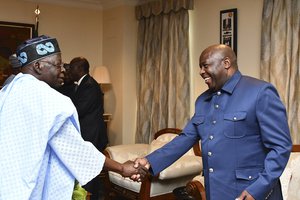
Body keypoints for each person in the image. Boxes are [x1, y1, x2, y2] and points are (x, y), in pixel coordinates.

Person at [134, 44, 292, 200]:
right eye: (200, 67)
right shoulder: (203, 100)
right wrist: (149, 161)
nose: (201, 72)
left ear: (226, 63)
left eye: (205, 65)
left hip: (252, 193)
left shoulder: (260, 92)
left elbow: (281, 147)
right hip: (215, 192)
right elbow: (185, 138)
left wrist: (258, 189)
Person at [0, 35, 145, 200]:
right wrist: (121, 168)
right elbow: (75, 149)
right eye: (58, 64)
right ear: (39, 66)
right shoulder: (47, 99)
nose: (62, 70)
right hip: (27, 189)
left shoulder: (7, 92)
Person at [66, 56, 109, 199]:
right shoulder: (79, 84)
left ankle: (91, 197)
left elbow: (79, 110)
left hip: (92, 134)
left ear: (79, 69)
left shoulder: (90, 85)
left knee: (90, 169)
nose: (69, 70)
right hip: (87, 133)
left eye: (71, 67)